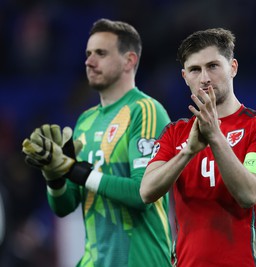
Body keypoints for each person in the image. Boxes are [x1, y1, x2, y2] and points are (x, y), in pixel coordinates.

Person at [22, 18, 172, 267]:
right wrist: (54, 176)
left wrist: (75, 171)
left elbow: (142, 193)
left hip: (141, 261)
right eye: (88, 54)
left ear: (129, 61)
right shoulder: (85, 120)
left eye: (101, 53)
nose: (89, 62)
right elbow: (65, 206)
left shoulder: (145, 111)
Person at [140, 28, 256, 267]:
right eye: (195, 70)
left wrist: (215, 137)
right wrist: (188, 151)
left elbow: (249, 194)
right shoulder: (175, 132)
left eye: (213, 66)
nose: (205, 78)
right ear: (185, 76)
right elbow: (146, 191)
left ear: (233, 68)